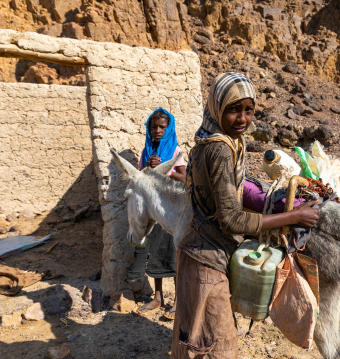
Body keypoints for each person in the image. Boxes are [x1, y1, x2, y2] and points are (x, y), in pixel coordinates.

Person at [171, 72, 320, 358]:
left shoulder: (212, 139)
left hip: (197, 253)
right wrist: (293, 216)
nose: (242, 119)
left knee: (195, 336)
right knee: (218, 346)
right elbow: (231, 220)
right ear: (217, 107)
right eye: (233, 109)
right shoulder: (219, 149)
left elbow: (212, 193)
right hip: (206, 261)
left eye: (248, 110)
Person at [127, 107, 185, 320]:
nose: (158, 130)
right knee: (155, 255)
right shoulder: (147, 151)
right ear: (149, 129)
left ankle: (179, 301)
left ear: (169, 129)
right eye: (154, 127)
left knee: (174, 256)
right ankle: (158, 297)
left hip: (169, 211)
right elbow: (140, 178)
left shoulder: (175, 151)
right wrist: (147, 169)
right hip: (153, 212)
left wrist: (165, 169)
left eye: (162, 127)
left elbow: (185, 177)